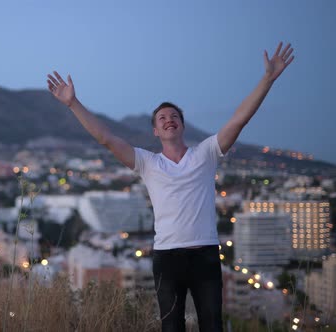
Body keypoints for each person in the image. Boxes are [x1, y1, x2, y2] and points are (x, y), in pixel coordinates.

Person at [47, 42, 294, 332]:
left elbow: (240, 119)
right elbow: (106, 139)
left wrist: (267, 80)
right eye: (162, 118)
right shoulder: (147, 163)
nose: (169, 120)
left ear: (183, 125)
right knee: (171, 327)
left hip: (205, 256)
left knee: (212, 325)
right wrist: (73, 103)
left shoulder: (206, 153)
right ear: (155, 130)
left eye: (174, 116)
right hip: (166, 258)